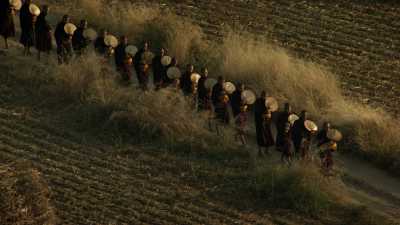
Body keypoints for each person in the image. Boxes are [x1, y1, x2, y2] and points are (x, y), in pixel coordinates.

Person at [255, 91, 275, 156]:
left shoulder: (268, 102)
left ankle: (267, 150)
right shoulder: (258, 101)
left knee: (268, 135)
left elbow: (270, 113)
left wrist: (269, 112)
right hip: (260, 122)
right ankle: (260, 151)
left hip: (267, 123)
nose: (265, 97)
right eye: (264, 95)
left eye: (266, 95)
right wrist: (263, 114)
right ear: (261, 95)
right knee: (260, 136)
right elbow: (257, 112)